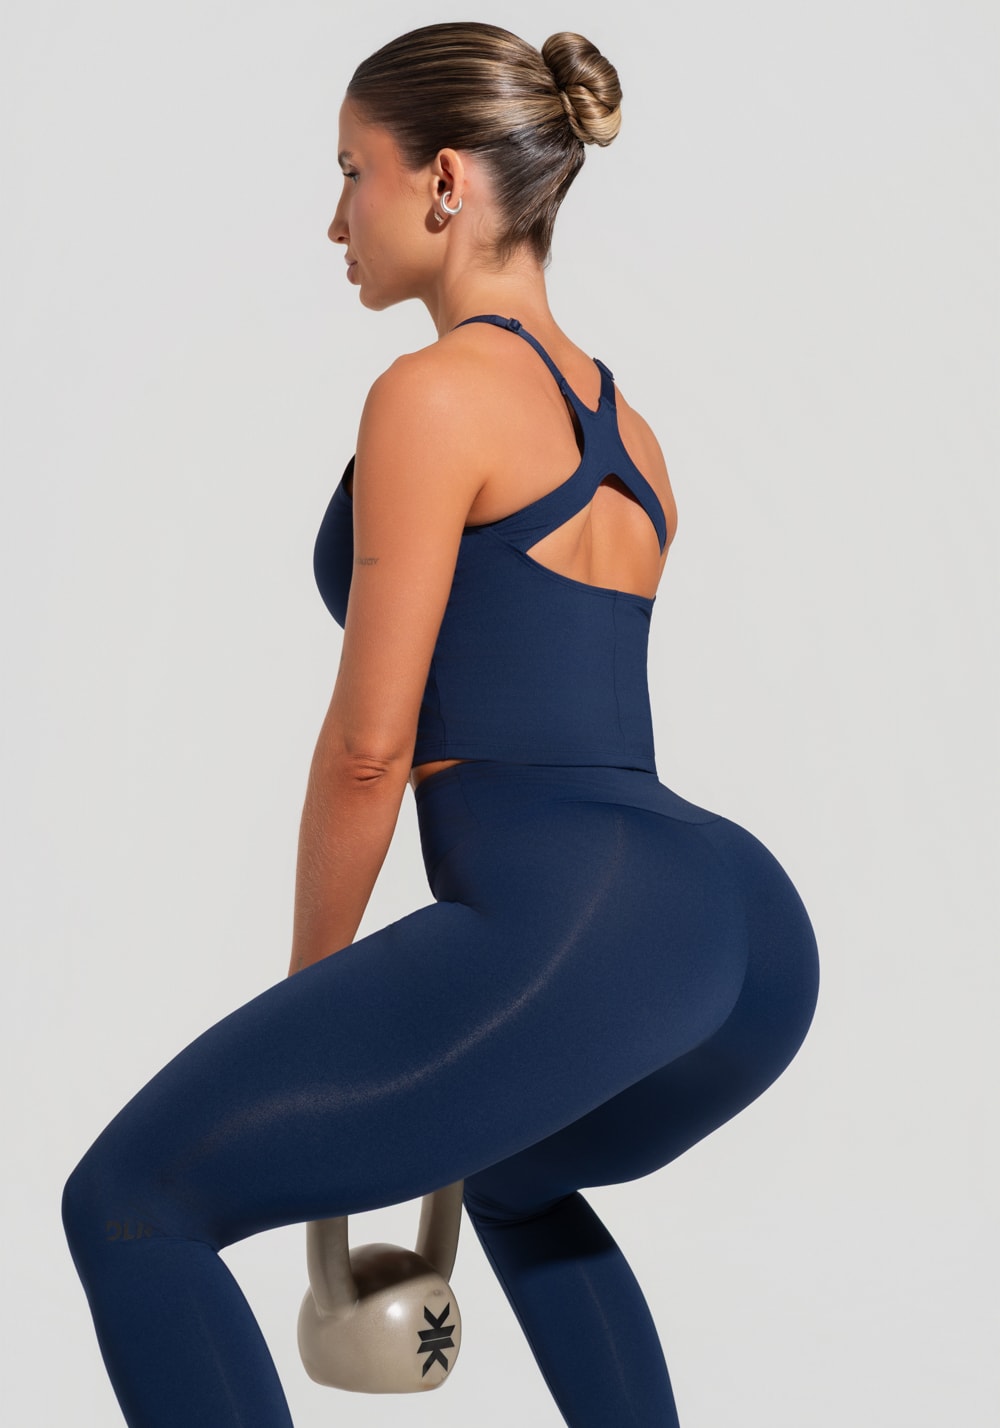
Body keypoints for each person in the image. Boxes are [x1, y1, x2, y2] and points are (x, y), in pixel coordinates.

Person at [62, 21, 820, 1427]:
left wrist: (308, 1004)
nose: (333, 217)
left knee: (131, 1202)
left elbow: (373, 748)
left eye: (353, 171)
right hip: (744, 934)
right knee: (521, 1176)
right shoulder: (631, 434)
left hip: (581, 911)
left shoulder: (433, 395)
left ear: (446, 181)